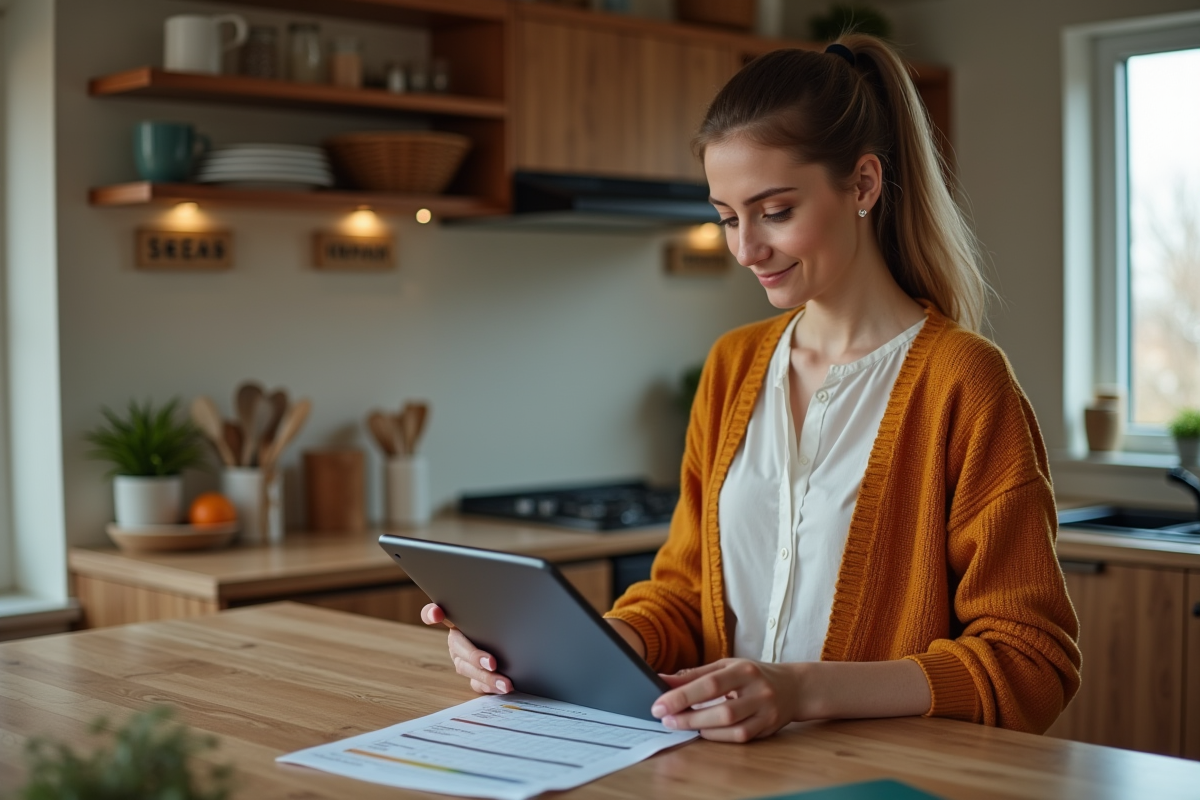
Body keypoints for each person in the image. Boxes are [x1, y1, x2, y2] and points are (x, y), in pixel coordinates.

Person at [422, 34, 1081, 743]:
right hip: (721, 771)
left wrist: (800, 690)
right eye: (728, 217)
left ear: (862, 184)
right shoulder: (733, 367)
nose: (745, 249)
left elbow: (1031, 661)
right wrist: (583, 645)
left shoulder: (965, 382)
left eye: (775, 211)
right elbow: (682, 596)